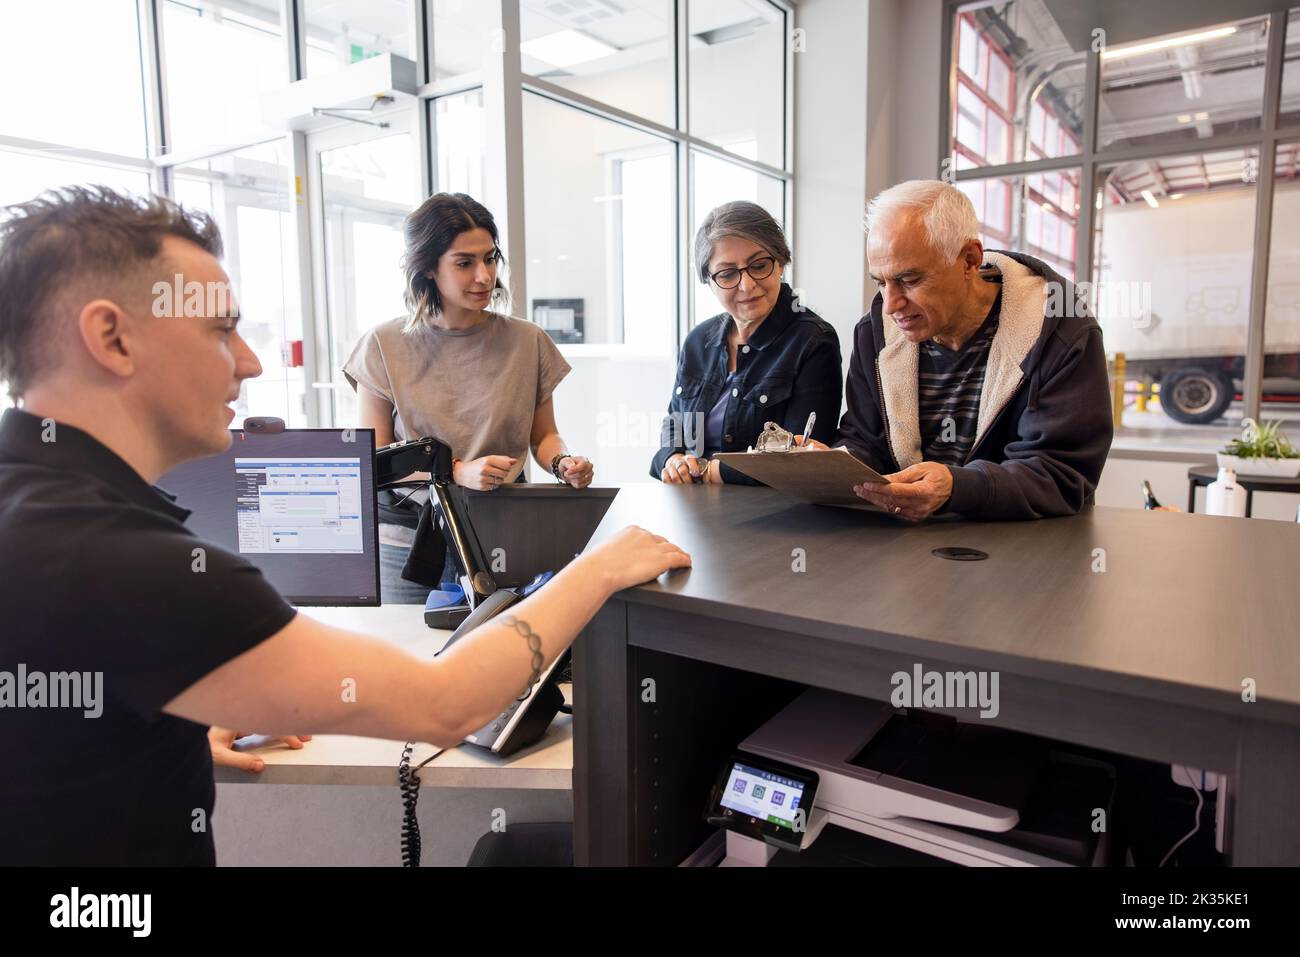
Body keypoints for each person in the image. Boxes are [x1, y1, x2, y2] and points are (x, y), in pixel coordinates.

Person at [0, 186, 689, 865]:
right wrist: (598, 564)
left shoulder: (38, 510)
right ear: (112, 337)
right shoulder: (127, 561)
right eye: (218, 328)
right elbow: (445, 704)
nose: (251, 360)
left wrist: (174, 709)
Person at [343, 193, 593, 602]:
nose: (484, 276)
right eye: (464, 263)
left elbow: (544, 436)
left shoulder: (527, 341)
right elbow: (374, 459)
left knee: (505, 659)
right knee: (406, 660)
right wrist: (454, 472)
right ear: (427, 267)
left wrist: (563, 463)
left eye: (490, 259)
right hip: (408, 542)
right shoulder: (382, 344)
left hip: (504, 532)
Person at [817, 180, 1111, 521]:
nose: (891, 305)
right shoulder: (873, 335)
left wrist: (958, 487)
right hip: (909, 546)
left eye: (910, 281)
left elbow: (1059, 473)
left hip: (1030, 550)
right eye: (882, 283)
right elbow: (865, 440)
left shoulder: (1061, 331)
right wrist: (832, 465)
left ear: (970, 260)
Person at [651, 201, 841, 485]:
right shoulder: (697, 341)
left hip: (772, 515)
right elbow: (674, 424)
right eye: (727, 274)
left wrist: (707, 470)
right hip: (695, 505)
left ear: (780, 262)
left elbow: (801, 460)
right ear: (709, 280)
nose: (747, 285)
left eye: (759, 265)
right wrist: (673, 458)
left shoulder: (814, 342)